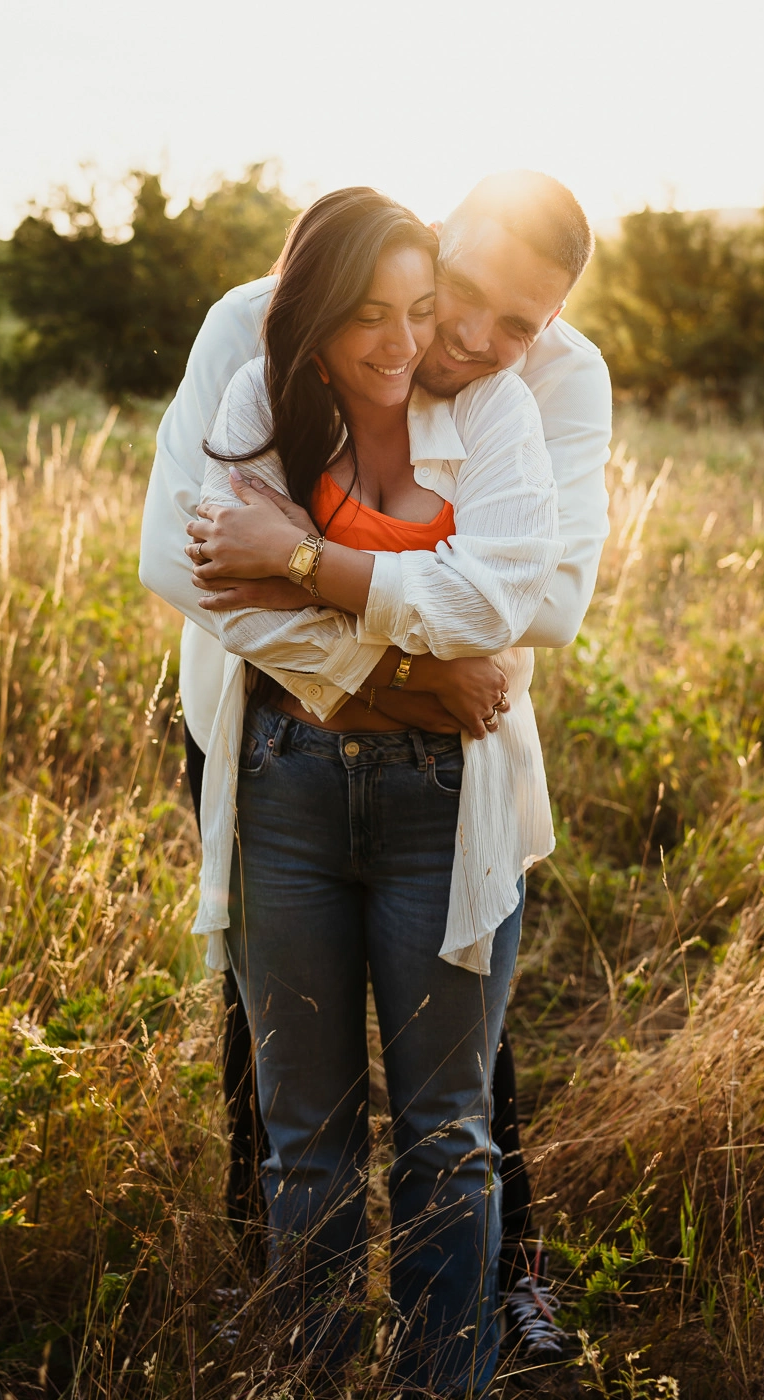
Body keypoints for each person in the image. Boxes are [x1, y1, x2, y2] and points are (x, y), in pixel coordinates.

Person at [139, 171, 612, 1376]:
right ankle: (291, 1310)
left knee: (455, 1081)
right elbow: (183, 557)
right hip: (266, 731)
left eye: (519, 321)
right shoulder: (259, 322)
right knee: (282, 1073)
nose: (466, 338)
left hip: (454, 770)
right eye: (461, 295)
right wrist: (387, 683)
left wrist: (299, 564)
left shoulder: (544, 383)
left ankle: (496, 1295)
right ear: (432, 238)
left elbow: (540, 601)